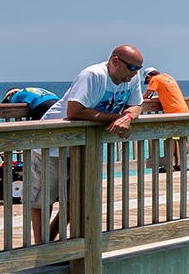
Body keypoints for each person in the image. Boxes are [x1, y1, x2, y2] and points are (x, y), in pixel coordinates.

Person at [28, 45, 147, 241]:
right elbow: (74, 111)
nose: (135, 74)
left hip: (81, 147)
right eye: (131, 68)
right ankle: (42, 246)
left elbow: (136, 104)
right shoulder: (93, 75)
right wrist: (114, 118)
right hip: (52, 145)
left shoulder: (131, 79)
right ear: (115, 61)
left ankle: (49, 239)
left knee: (77, 201)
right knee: (43, 200)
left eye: (138, 69)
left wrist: (127, 117)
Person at [141, 66, 189, 168]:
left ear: (149, 76)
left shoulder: (155, 79)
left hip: (172, 111)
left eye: (147, 80)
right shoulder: (168, 78)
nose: (148, 82)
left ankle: (168, 166)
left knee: (169, 138)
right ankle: (183, 164)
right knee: (182, 138)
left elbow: (145, 96)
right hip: (183, 109)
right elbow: (168, 94)